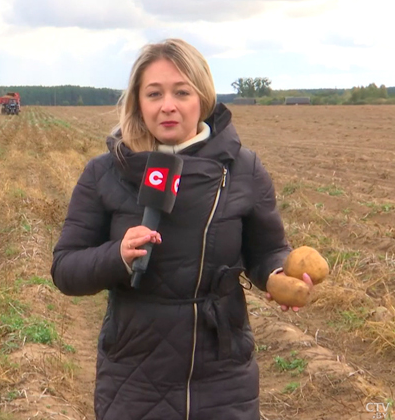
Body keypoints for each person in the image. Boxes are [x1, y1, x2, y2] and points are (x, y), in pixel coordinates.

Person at [50, 38, 315, 420]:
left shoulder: (243, 169)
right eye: (154, 93)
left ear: (202, 98)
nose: (168, 105)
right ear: (138, 102)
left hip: (224, 371)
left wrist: (276, 273)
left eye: (181, 92)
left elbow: (267, 249)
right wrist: (117, 255)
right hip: (134, 374)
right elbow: (65, 268)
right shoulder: (103, 173)